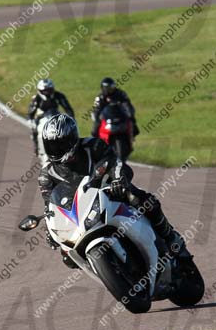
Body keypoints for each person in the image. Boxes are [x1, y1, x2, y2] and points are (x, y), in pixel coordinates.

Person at [38, 114, 191, 269]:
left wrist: (118, 179)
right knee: (67, 258)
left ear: (72, 138)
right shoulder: (47, 174)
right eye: (52, 146)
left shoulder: (93, 146)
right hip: (81, 211)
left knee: (142, 200)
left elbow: (115, 162)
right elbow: (49, 205)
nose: (57, 149)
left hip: (110, 191)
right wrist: (49, 230)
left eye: (61, 144)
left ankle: (171, 238)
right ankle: (108, 270)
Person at [27, 79, 75, 155]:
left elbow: (68, 108)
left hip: (56, 115)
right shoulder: (36, 98)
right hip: (41, 117)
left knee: (68, 127)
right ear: (40, 90)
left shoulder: (59, 96)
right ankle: (37, 146)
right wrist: (30, 120)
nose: (47, 93)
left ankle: (72, 145)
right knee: (34, 128)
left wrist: (71, 117)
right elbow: (30, 112)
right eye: (45, 91)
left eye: (49, 90)